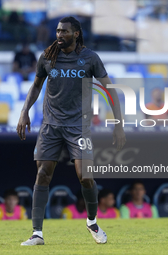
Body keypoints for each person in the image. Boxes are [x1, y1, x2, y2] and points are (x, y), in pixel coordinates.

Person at [17, 16, 126, 245]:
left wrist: (118, 123)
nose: (59, 35)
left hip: (79, 127)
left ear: (76, 34)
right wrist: (24, 111)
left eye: (64, 31)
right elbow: (36, 85)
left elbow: (110, 90)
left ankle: (92, 221)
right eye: (57, 31)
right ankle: (37, 233)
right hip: (51, 126)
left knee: (85, 176)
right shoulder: (48, 56)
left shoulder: (90, 58)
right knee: (43, 173)